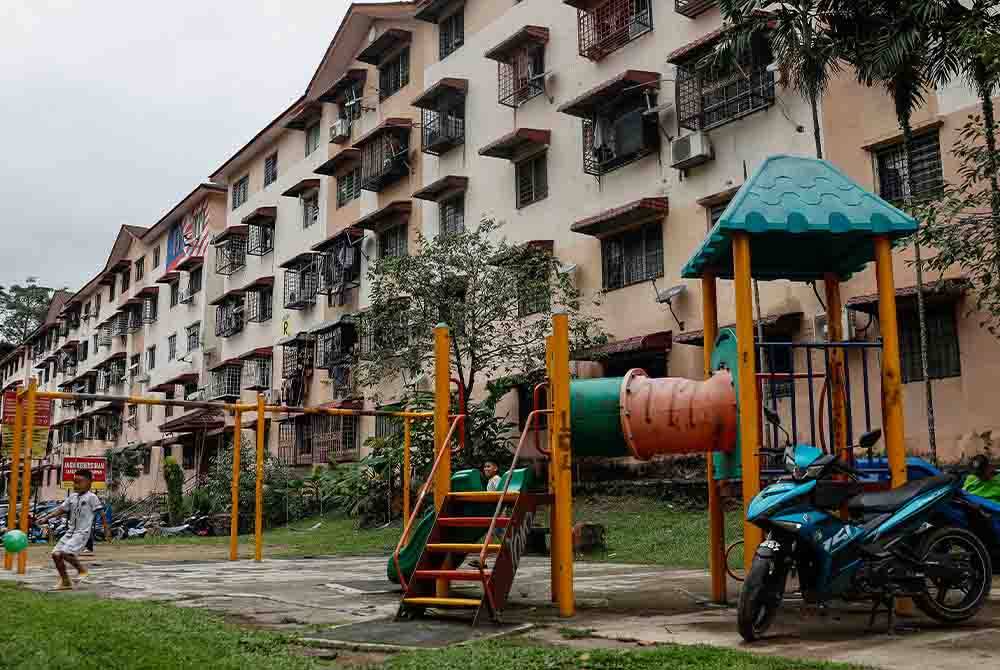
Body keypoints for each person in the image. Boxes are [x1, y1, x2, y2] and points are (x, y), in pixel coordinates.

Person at [37, 470, 110, 591]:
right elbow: (61, 510)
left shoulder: (92, 497)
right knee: (56, 554)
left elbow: (102, 514)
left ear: (89, 483)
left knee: (66, 552)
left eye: (79, 482)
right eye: (74, 482)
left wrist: (107, 530)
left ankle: (82, 570)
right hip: (70, 532)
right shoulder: (72, 497)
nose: (76, 485)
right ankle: (65, 581)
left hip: (82, 533)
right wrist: (46, 518)